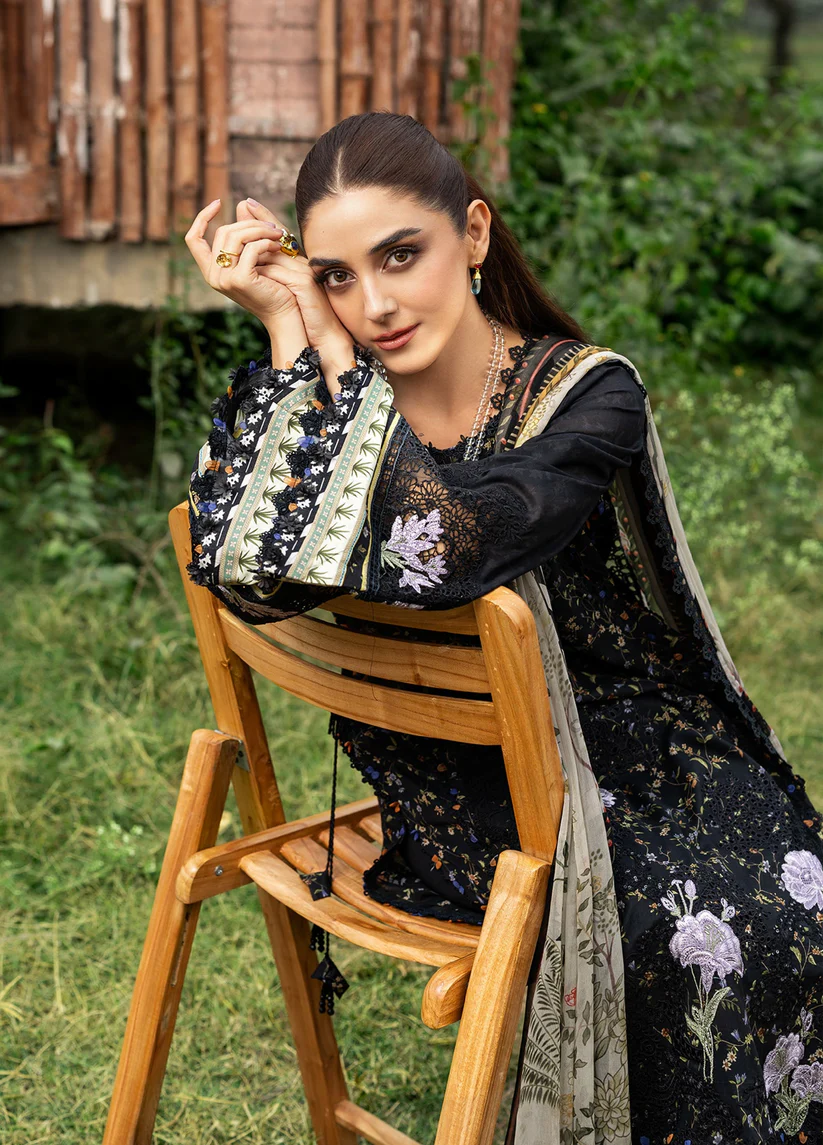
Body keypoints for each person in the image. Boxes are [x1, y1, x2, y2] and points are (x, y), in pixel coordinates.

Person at [183, 112, 823, 1145]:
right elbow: (253, 576)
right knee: (695, 926)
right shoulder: (349, 410)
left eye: (401, 255)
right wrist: (298, 335)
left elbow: (450, 539)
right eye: (337, 276)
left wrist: (324, 358)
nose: (374, 305)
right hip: (477, 799)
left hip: (641, 742)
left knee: (796, 888)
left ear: (474, 233)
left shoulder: (588, 396)